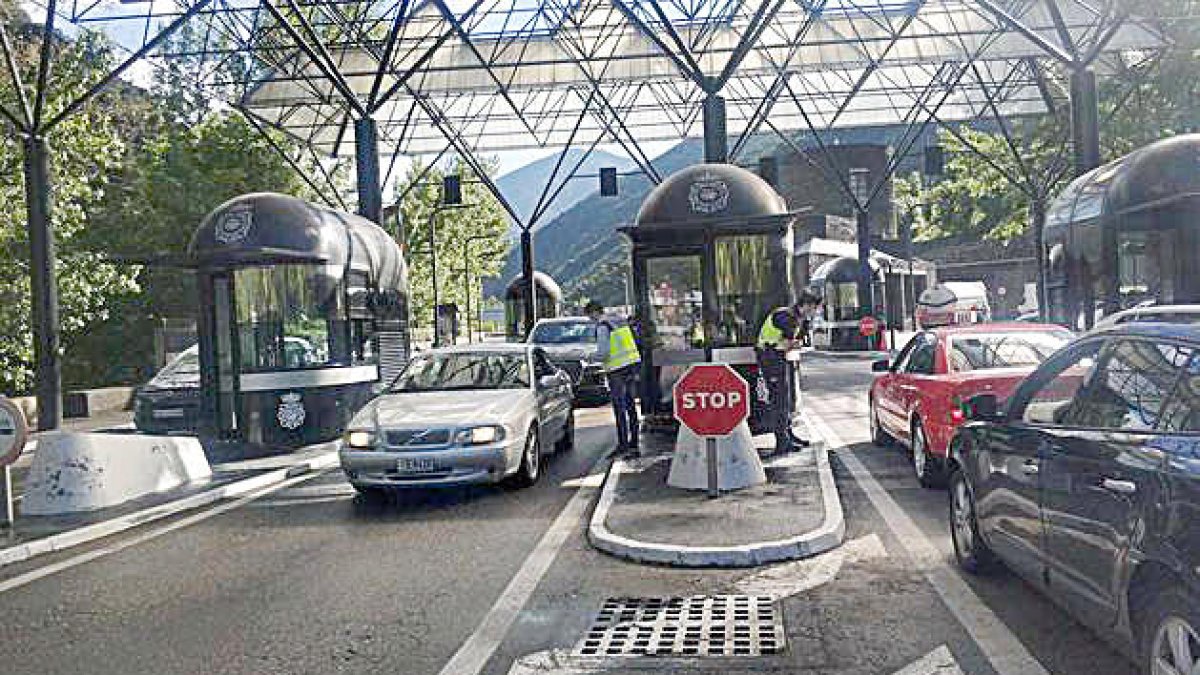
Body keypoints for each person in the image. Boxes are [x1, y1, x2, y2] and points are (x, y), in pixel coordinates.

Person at [586, 300, 642, 453]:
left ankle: (623, 444)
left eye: (591, 316)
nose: (591, 320)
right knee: (631, 406)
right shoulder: (619, 321)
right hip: (631, 366)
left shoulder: (603, 326)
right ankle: (634, 442)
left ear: (594, 312)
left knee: (619, 408)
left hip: (616, 370)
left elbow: (604, 353)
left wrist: (589, 357)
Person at [756, 302, 811, 453]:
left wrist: (795, 342)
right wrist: (794, 343)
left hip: (778, 357)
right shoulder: (784, 316)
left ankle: (787, 435)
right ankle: (782, 442)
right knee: (779, 401)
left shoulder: (798, 319)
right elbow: (786, 343)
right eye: (813, 308)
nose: (813, 312)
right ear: (806, 305)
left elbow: (794, 342)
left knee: (785, 400)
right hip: (770, 358)